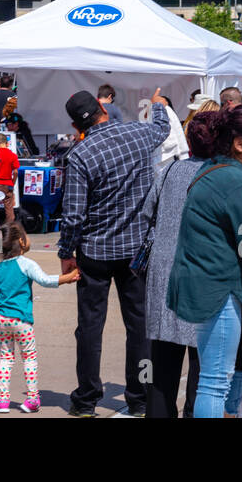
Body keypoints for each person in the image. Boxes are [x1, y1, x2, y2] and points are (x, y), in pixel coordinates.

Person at [59, 87, 169, 417]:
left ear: (77, 125)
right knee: (140, 325)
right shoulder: (138, 133)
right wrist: (158, 105)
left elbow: (74, 213)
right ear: (103, 109)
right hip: (136, 249)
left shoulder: (80, 154)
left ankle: (87, 397)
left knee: (90, 326)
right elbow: (162, 127)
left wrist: (66, 250)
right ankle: (139, 396)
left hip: (95, 250)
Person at [167, 105, 242, 417]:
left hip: (209, 285)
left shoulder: (215, 170)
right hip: (220, 289)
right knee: (215, 381)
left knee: (218, 378)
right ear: (239, 144)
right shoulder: (238, 181)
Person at [140, 109, 213, 418]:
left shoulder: (169, 172)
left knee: (162, 367)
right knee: (203, 364)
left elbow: (146, 215)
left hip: (164, 277)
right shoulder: (223, 175)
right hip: (203, 279)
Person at [0, 223, 79, 412]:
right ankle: (32, 399)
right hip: (22, 321)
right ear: (21, 241)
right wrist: (68, 278)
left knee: (6, 358)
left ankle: (3, 401)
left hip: (2, 319)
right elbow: (44, 280)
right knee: (29, 357)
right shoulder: (26, 264)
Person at [0, 132, 19, 227]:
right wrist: (12, 183)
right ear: (7, 143)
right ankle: (10, 231)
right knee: (9, 210)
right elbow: (15, 172)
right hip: (8, 185)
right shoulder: (13, 155)